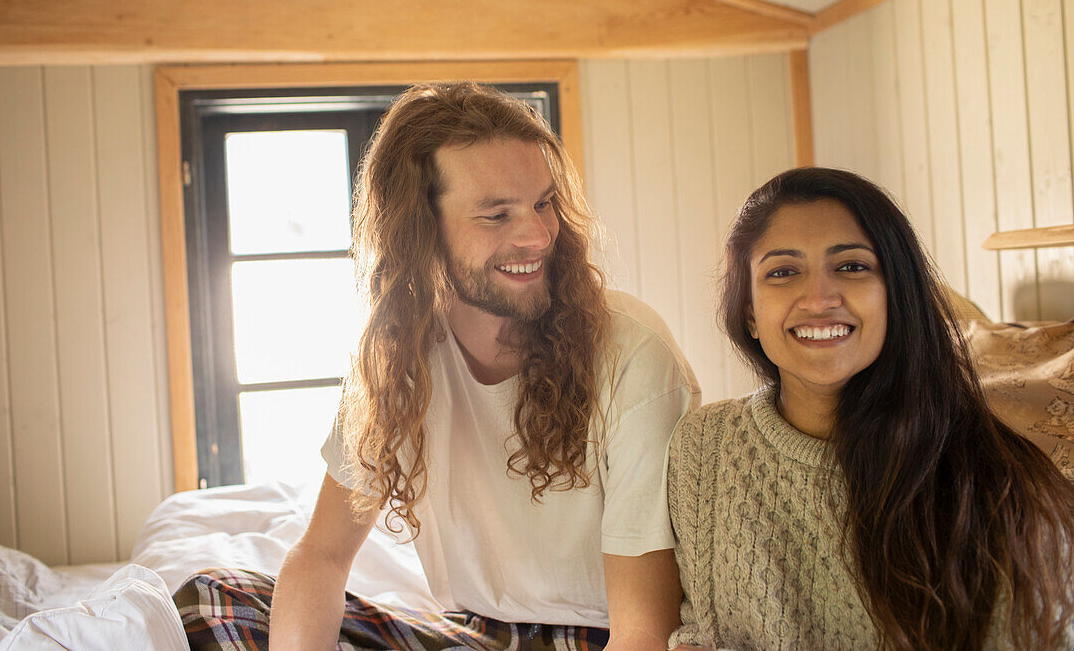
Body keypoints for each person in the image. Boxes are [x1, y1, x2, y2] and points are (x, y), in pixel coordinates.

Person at [175, 82, 699, 650]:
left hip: (603, 637)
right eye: (497, 215)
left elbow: (646, 633)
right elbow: (322, 557)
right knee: (215, 599)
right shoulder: (396, 358)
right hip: (478, 634)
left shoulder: (633, 353)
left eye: (543, 203)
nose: (538, 234)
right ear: (421, 231)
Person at [667, 168, 1074, 651]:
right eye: (782, 272)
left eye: (852, 266)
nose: (819, 299)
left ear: (895, 296)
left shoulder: (996, 483)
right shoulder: (702, 447)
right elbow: (700, 629)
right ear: (750, 313)